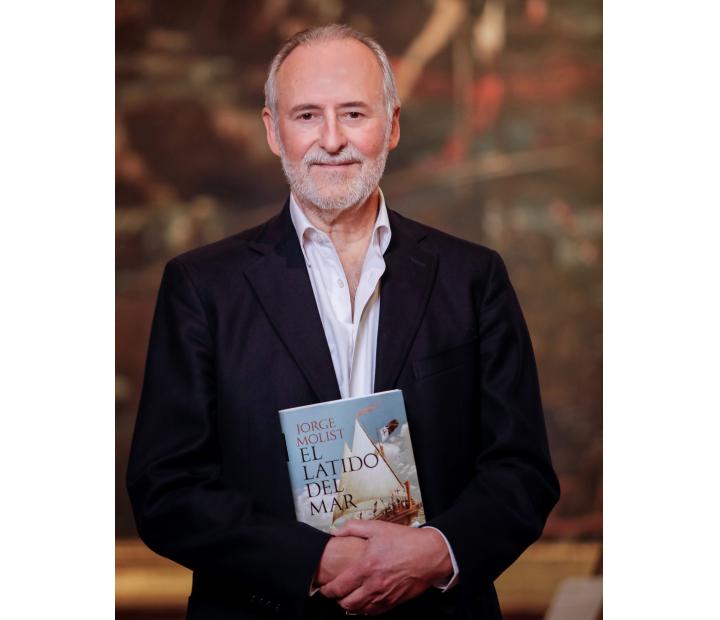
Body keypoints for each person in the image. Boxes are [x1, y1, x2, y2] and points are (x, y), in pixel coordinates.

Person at [127, 24, 559, 620]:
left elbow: (522, 471)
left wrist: (435, 551)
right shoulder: (202, 287)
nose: (332, 140)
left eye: (354, 113)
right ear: (273, 131)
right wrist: (316, 561)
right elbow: (167, 490)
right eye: (307, 116)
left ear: (393, 125)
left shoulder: (473, 277)